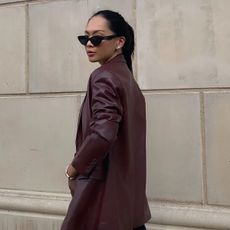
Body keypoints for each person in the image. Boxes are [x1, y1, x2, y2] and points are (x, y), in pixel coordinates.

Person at [61, 10, 151, 230]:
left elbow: (102, 133)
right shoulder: (126, 79)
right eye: (85, 38)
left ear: (119, 42)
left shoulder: (104, 77)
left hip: (104, 195)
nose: (89, 44)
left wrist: (74, 167)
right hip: (126, 199)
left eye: (97, 37)